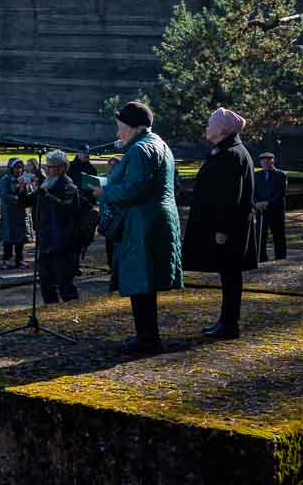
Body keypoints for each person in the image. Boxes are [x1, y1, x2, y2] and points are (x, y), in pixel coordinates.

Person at [88, 101, 183, 354]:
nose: (118, 134)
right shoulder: (158, 144)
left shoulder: (141, 150)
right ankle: (147, 335)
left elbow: (134, 189)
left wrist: (104, 191)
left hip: (143, 223)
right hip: (155, 220)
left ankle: (147, 339)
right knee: (145, 282)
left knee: (141, 280)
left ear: (134, 127)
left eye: (120, 128)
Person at [183, 108, 258, 340]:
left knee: (230, 275)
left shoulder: (232, 154)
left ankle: (229, 324)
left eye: (210, 123)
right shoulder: (229, 151)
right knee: (229, 276)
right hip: (228, 227)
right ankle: (226, 322)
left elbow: (230, 196)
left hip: (229, 229)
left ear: (223, 130)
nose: (206, 127)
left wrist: (222, 229)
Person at [26, 151, 82, 304]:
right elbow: (25, 202)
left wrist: (47, 194)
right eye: (46, 166)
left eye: (50, 167)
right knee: (45, 283)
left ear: (61, 168)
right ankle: (50, 315)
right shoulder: (46, 185)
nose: (47, 170)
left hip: (63, 244)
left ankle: (71, 317)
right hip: (45, 242)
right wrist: (23, 186)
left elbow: (66, 208)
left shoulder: (69, 186)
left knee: (65, 285)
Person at [0, 158, 33, 268]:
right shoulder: (5, 180)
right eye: (16, 167)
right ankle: (7, 259)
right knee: (8, 237)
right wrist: (19, 197)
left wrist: (26, 189)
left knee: (20, 237)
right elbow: (5, 195)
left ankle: (19, 259)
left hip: (22, 213)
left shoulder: (25, 178)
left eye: (20, 167)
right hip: (9, 213)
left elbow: (30, 192)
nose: (19, 170)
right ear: (11, 168)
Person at [254, 152, 288, 261]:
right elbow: (252, 191)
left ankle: (280, 257)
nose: (264, 163)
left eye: (267, 161)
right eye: (262, 161)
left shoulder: (281, 174)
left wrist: (268, 202)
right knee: (260, 234)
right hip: (261, 209)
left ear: (272, 161)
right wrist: (256, 202)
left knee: (278, 234)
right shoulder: (256, 175)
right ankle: (261, 257)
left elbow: (281, 192)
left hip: (276, 209)